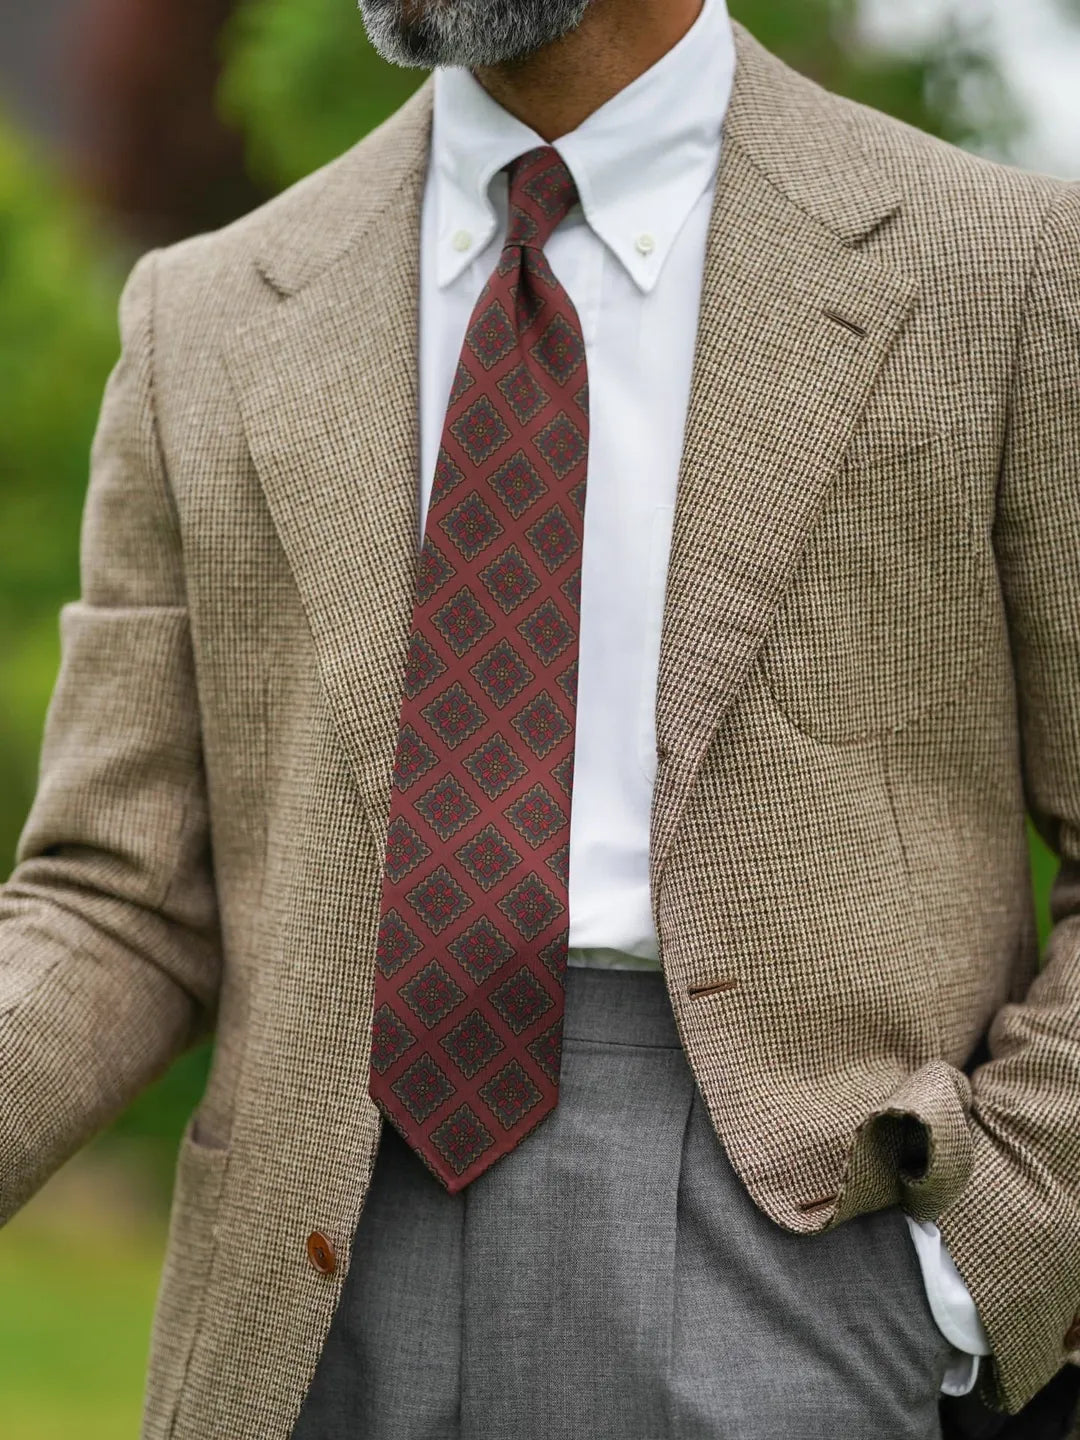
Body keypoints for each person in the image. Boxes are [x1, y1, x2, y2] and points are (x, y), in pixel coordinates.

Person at [1, 0, 1078, 1435]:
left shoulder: (1004, 270)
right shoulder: (202, 317)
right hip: (306, 1275)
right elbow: (114, 899)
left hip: (805, 1263)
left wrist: (988, 1253)